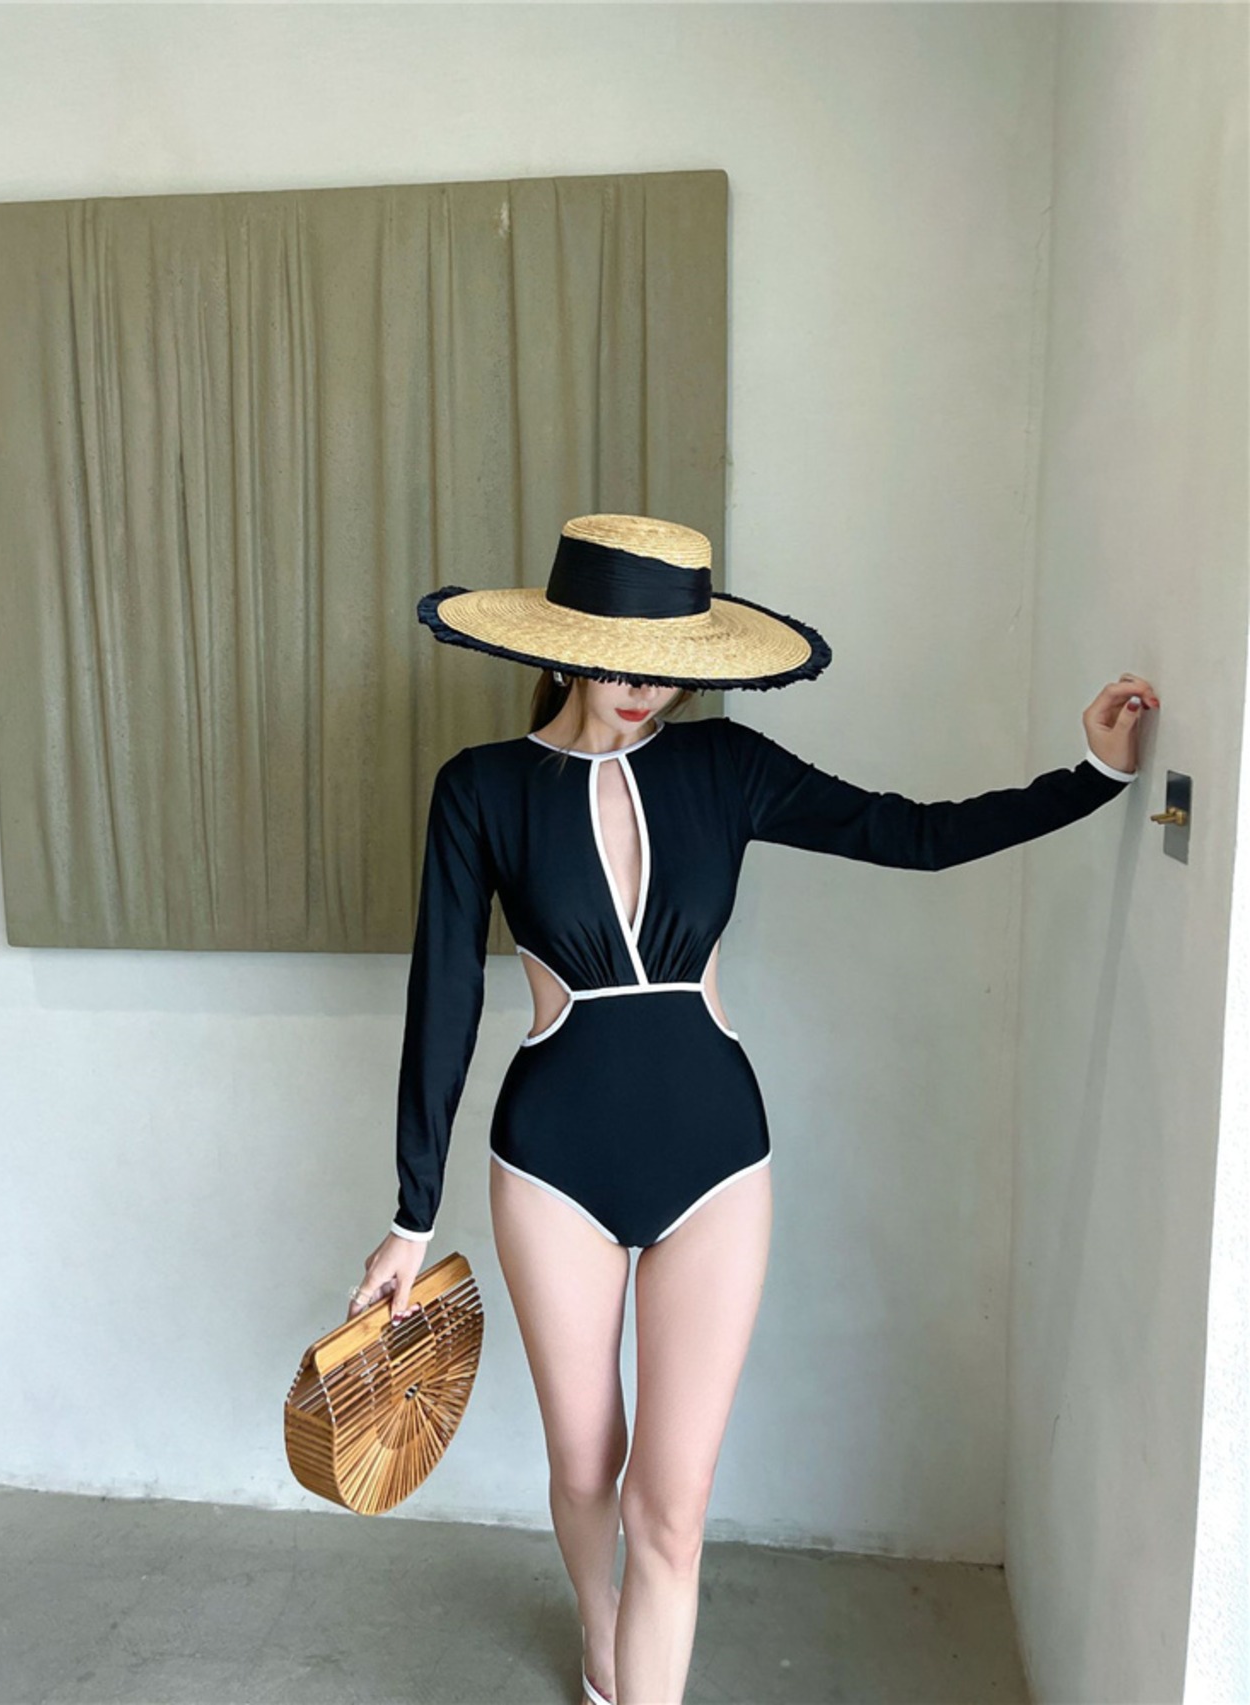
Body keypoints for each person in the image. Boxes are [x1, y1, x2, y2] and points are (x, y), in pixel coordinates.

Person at [348, 513, 1157, 1705]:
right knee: (587, 1466)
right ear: (567, 645)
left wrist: (1090, 777)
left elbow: (909, 832)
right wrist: (410, 1217)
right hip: (549, 1167)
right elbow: (443, 1001)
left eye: (669, 667)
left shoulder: (724, 767)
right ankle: (599, 1630)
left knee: (670, 1506)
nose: (646, 689)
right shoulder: (480, 787)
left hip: (715, 1165)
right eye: (624, 660)